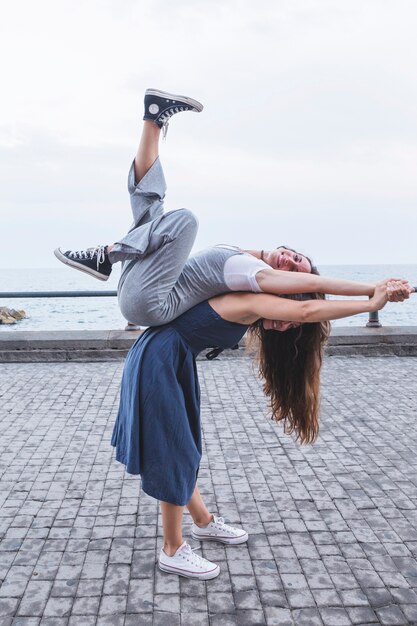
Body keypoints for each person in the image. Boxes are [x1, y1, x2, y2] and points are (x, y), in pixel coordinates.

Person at [111, 278, 410, 580]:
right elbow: (306, 309)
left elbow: (304, 307)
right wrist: (372, 303)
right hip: (159, 360)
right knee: (175, 450)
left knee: (185, 444)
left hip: (170, 357)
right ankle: (172, 550)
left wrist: (376, 287)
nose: (285, 325)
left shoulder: (250, 301)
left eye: (290, 326)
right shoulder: (249, 301)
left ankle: (203, 521)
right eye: (286, 316)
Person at [54, 88, 410, 331]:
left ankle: (108, 254)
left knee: (184, 221)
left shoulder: (253, 279)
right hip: (138, 285)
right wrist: (373, 289)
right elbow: (303, 280)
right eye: (294, 255)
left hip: (147, 304)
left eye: (294, 269)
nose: (289, 260)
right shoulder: (241, 256)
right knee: (152, 212)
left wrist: (371, 295)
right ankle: (153, 117)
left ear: (288, 283)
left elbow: (309, 302)